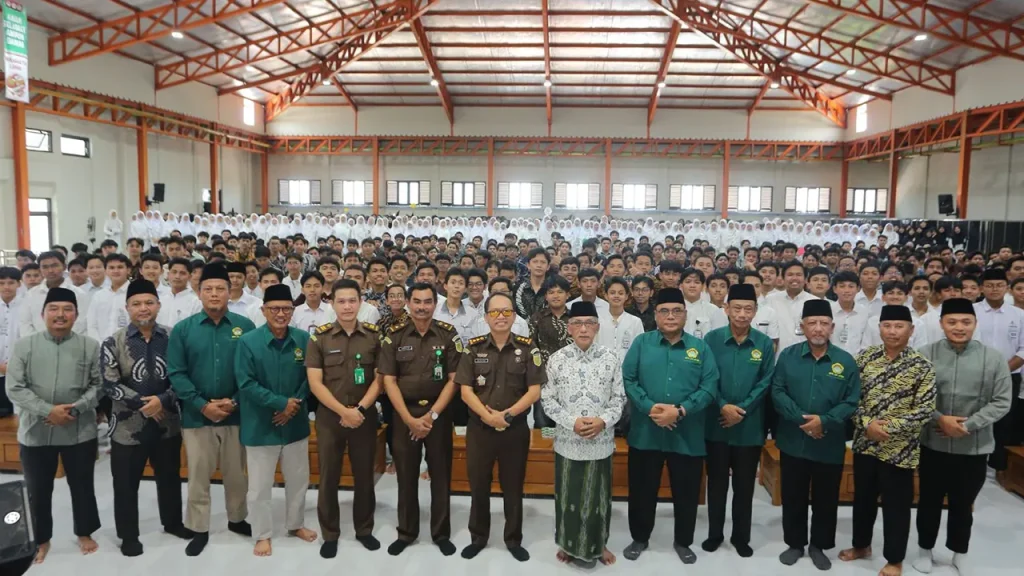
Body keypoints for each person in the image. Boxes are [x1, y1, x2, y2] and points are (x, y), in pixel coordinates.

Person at [913, 298, 1012, 576]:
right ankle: (924, 550)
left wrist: (968, 425)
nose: (959, 327)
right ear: (941, 324)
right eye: (952, 322)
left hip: (974, 447)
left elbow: (1002, 401)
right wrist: (940, 419)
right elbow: (914, 396)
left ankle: (960, 552)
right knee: (929, 501)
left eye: (966, 322)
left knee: (963, 503)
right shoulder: (924, 354)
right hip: (933, 443)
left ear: (975, 324)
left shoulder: (993, 358)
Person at [622, 287, 720, 565]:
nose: (670, 316)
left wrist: (680, 410)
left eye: (677, 311)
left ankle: (683, 541)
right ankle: (639, 538)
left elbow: (710, 386)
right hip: (646, 432)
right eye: (664, 311)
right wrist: (650, 407)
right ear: (656, 315)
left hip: (686, 433)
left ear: (685, 315)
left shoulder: (700, 347)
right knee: (641, 491)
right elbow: (629, 379)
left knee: (687, 493)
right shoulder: (642, 343)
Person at [5, 288, 102, 563]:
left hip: (79, 429)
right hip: (36, 431)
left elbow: (99, 385)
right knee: (38, 489)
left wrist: (76, 408)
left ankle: (84, 532)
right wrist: (48, 411)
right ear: (43, 314)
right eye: (54, 309)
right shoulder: (25, 345)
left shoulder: (89, 346)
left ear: (76, 315)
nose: (61, 314)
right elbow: (15, 387)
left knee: (82, 485)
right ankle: (41, 539)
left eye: (67, 309)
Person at [838, 305, 936, 576]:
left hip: (900, 450)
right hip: (865, 444)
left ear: (911, 330)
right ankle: (861, 545)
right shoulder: (864, 358)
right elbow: (849, 397)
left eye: (899, 326)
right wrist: (866, 424)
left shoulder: (922, 366)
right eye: (887, 325)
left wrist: (889, 428)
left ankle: (894, 560)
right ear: (879, 328)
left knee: (897, 506)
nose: (892, 331)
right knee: (863, 499)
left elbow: (925, 409)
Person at [168, 262, 256, 556]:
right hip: (197, 417)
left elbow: (251, 371)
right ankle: (199, 528)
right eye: (208, 289)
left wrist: (234, 401)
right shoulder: (183, 330)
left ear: (230, 292)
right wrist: (202, 404)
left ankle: (237, 519)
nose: (215, 294)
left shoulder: (245, 326)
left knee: (236, 474)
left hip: (236, 414)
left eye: (220, 288)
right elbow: (177, 373)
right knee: (198, 475)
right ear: (199, 292)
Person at [101, 279, 192, 556]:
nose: (144, 308)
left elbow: (184, 375)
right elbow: (109, 383)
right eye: (137, 304)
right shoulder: (113, 342)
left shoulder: (174, 337)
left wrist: (162, 400)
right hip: (127, 427)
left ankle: (173, 523)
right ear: (127, 307)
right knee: (125, 483)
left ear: (158, 305)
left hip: (167, 422)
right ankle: (129, 536)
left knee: (169, 476)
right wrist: (145, 404)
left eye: (149, 303)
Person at [772, 299, 860, 571]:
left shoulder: (845, 361)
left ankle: (819, 545)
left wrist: (825, 421)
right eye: (812, 323)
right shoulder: (788, 356)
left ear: (832, 327)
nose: (818, 328)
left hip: (828, 442)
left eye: (824, 323)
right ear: (803, 327)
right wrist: (802, 419)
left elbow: (852, 400)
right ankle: (795, 543)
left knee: (826, 498)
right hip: (794, 439)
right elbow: (777, 391)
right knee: (793, 495)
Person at [455, 292, 543, 562]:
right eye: (495, 312)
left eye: (506, 311)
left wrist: (506, 415)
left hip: (514, 430)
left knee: (513, 486)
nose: (501, 316)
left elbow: (534, 391)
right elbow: (465, 391)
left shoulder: (528, 348)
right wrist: (487, 416)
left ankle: (513, 539)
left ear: (514, 316)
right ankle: (478, 537)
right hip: (480, 430)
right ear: (486, 317)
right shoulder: (473, 348)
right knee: (479, 485)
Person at [379, 283, 462, 557]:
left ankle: (441, 533)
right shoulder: (394, 335)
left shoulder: (448, 334)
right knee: (405, 476)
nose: (422, 307)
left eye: (427, 302)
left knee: (441, 475)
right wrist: (408, 419)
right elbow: (389, 381)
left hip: (439, 414)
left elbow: (454, 380)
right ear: (408, 303)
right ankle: (406, 532)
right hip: (405, 414)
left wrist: (431, 416)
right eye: (417, 301)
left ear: (435, 304)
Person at [542, 300, 625, 568]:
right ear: (569, 328)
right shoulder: (557, 359)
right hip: (568, 441)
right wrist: (572, 422)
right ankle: (568, 544)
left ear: (597, 327)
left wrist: (602, 421)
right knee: (568, 496)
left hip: (601, 441)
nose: (584, 328)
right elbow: (547, 400)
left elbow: (619, 398)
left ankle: (599, 545)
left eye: (589, 323)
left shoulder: (611, 358)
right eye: (577, 323)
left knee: (599, 498)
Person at [236, 284, 317, 557]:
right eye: (274, 309)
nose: (280, 314)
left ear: (293, 311)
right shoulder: (248, 342)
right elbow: (246, 382)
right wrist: (281, 403)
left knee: (298, 480)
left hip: (295, 425)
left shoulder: (303, 339)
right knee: (259, 487)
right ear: (263, 310)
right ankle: (262, 534)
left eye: (286, 309)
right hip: (261, 425)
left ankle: (295, 524)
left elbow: (310, 377)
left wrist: (293, 405)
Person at [306, 279, 384, 558]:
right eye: (342, 301)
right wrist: (343, 412)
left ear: (361, 302)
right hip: (330, 418)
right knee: (328, 477)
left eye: (352, 300)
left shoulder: (374, 337)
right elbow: (315, 383)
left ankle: (364, 529)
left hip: (364, 417)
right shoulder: (320, 338)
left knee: (364, 476)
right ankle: (330, 534)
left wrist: (359, 410)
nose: (347, 306)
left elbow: (380, 379)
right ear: (332, 303)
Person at [702, 284, 776, 558]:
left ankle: (741, 537)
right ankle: (715, 534)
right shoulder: (711, 339)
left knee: (744, 487)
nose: (742, 314)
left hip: (749, 427)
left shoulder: (764, 343)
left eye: (748, 309)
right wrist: (723, 405)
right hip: (717, 425)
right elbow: (707, 377)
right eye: (737, 308)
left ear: (755, 311)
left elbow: (766, 381)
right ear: (726, 309)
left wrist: (740, 410)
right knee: (716, 485)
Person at [971, 268, 1024, 470]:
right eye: (989, 285)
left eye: (999, 285)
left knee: (1004, 421)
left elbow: (1023, 349)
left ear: (1007, 288)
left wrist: (1003, 370)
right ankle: (974, 462)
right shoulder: (972, 311)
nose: (994, 289)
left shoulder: (1019, 315)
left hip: (1009, 376)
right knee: (975, 417)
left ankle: (998, 467)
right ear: (981, 288)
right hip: (975, 375)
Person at [18, 251, 90, 337]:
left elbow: (81, 323)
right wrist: (39, 342)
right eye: (45, 267)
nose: (50, 271)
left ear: (64, 267)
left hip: (71, 342)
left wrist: (62, 340)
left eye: (55, 265)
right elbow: (25, 324)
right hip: (37, 343)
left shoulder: (79, 294)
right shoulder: (31, 295)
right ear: (40, 269)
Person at [0, 267, 23, 417]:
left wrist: (14, 365)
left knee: (17, 414)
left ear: (19, 284)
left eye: (10, 283)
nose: (6, 287)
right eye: (2, 283)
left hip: (19, 369)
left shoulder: (26, 306)